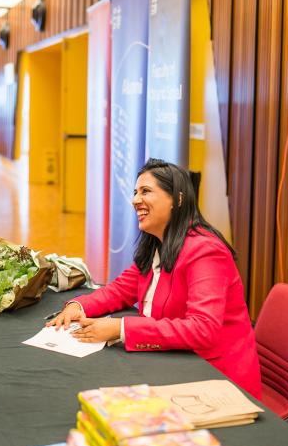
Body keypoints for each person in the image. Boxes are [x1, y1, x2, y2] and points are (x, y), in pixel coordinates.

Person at [50, 158, 262, 399]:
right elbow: (120, 290)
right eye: (135, 192)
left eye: (146, 191)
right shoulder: (158, 244)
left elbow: (203, 329)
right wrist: (79, 306)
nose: (135, 200)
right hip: (175, 362)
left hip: (216, 379)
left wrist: (119, 328)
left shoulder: (205, 251)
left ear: (178, 199)